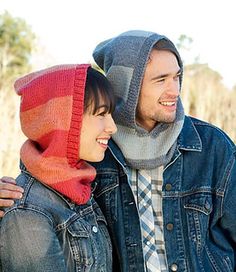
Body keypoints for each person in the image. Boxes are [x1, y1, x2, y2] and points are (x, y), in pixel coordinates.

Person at [1, 30, 236, 272]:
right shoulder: (97, 151)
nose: (174, 90)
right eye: (160, 79)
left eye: (177, 76)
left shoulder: (211, 146)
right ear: (128, 86)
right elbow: (46, 167)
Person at [0, 64, 117, 272]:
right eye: (101, 114)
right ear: (62, 120)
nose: (113, 127)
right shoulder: (27, 213)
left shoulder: (83, 192)